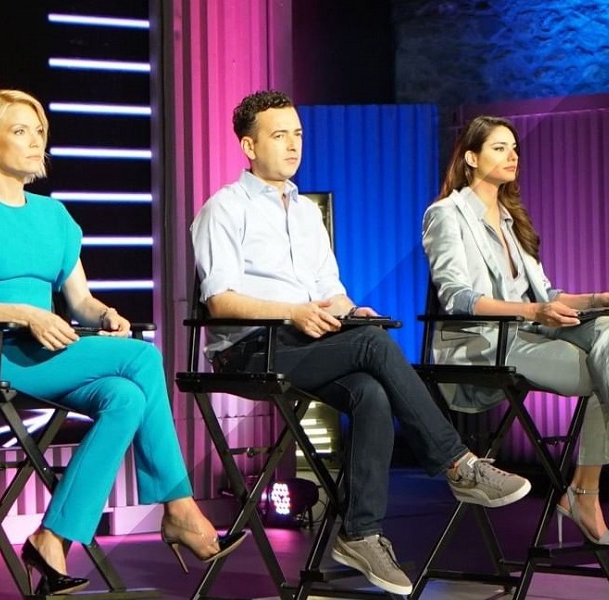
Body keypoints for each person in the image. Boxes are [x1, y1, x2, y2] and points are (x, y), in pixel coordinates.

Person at [190, 90, 532, 595]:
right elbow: (220, 301)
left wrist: (349, 311)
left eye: (297, 134)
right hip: (249, 347)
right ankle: (459, 464)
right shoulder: (223, 208)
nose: (293, 145)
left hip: (305, 337)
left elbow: (330, 289)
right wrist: (293, 312)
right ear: (248, 145)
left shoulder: (305, 212)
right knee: (372, 346)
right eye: (279, 136)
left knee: (370, 392)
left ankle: (360, 534)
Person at [0, 89, 246, 596]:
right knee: (143, 357)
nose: (35, 142)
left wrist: (106, 315)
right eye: (20, 131)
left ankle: (52, 538)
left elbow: (80, 301)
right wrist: (24, 313)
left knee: (127, 397)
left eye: (39, 132)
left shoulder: (54, 216)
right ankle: (179, 508)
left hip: (47, 350)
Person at [421, 115, 609, 547]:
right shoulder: (446, 214)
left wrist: (598, 299)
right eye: (499, 148)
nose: (513, 156)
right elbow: (457, 297)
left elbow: (546, 295)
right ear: (471, 158)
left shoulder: (512, 219)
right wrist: (533, 311)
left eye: (514, 148)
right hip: (482, 343)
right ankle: (591, 489)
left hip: (528, 332)